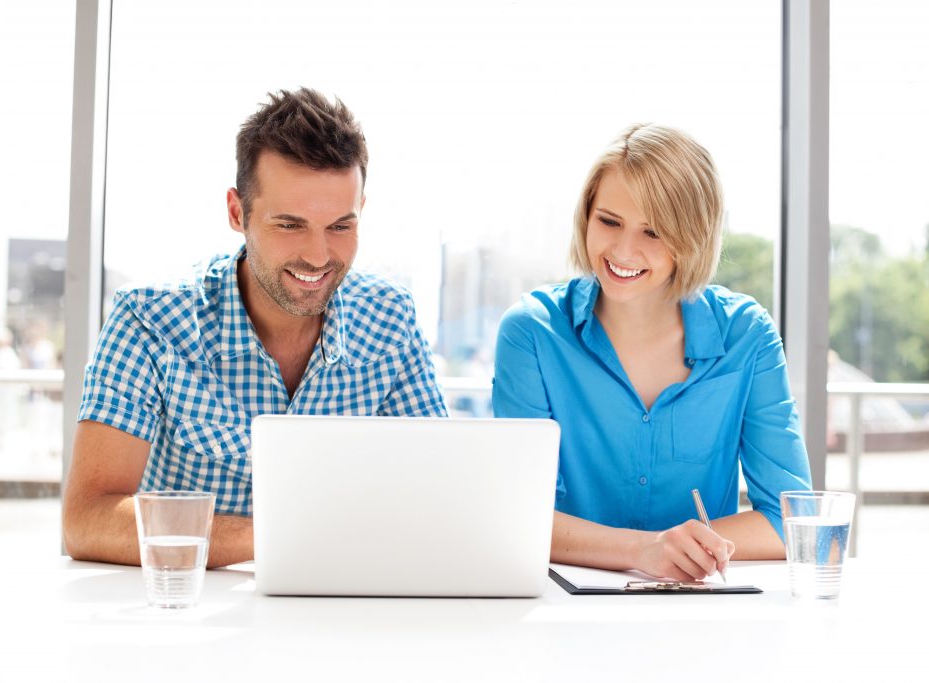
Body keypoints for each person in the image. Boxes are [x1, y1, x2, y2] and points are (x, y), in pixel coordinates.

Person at [63, 88, 447, 567]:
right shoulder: (150, 319)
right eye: (290, 225)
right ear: (237, 213)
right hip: (195, 616)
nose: (318, 255)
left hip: (343, 610)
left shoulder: (390, 318)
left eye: (340, 227)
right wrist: (279, 537)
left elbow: (438, 492)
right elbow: (87, 519)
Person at [493, 124, 811, 582]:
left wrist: (680, 553)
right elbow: (515, 516)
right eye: (609, 221)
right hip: (565, 606)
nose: (624, 250)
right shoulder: (532, 333)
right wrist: (645, 550)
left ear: (692, 237)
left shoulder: (748, 335)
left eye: (654, 232)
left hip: (700, 607)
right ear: (586, 216)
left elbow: (789, 521)